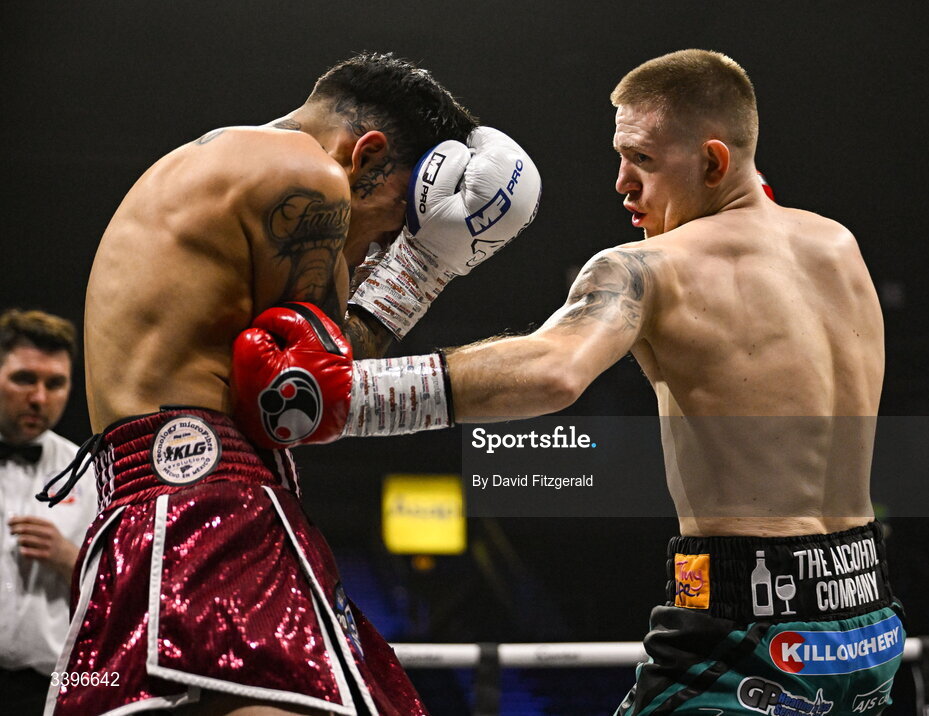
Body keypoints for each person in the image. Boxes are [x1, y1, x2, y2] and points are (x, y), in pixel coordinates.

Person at [39, 52, 541, 716]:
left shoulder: (207, 164)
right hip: (210, 513)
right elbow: (312, 392)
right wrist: (423, 265)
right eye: (390, 226)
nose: (368, 254)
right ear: (366, 154)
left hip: (151, 509)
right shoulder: (309, 175)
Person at [442, 49, 903, 715]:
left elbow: (554, 370)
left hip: (748, 628)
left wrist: (357, 389)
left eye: (645, 161)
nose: (622, 184)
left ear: (713, 163)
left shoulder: (646, 267)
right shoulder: (838, 247)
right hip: (869, 620)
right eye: (621, 156)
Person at [0, 308, 98, 714]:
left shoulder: (91, 474)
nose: (39, 397)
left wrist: (70, 560)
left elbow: (130, 591)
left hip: (47, 690)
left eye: (55, 383)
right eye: (24, 379)